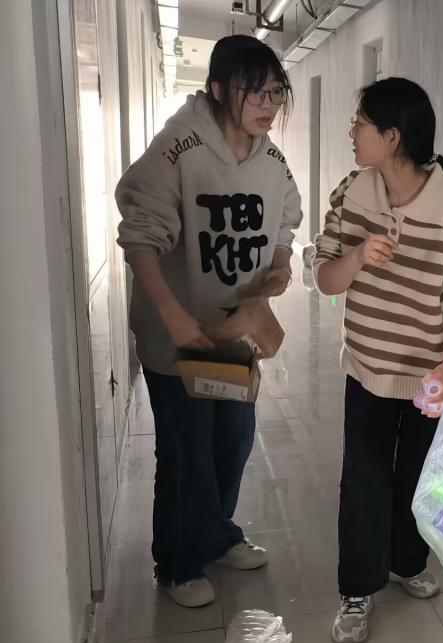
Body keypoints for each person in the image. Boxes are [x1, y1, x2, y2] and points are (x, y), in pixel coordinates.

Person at [115, 35, 302, 608]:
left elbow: (285, 218)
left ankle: (215, 534)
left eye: (276, 92)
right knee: (186, 452)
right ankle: (178, 563)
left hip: (231, 333)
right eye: (255, 92)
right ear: (218, 89)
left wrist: (280, 262)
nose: (268, 105)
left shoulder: (270, 159)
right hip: (177, 337)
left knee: (232, 443)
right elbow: (139, 238)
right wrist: (172, 318)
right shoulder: (179, 147)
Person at [312, 77, 443, 643]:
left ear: (391, 137)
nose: (352, 133)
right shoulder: (352, 192)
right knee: (363, 478)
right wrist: (358, 257)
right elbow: (324, 278)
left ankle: (408, 562)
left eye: (360, 124)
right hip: (368, 366)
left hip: (429, 376)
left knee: (420, 477)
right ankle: (357, 588)